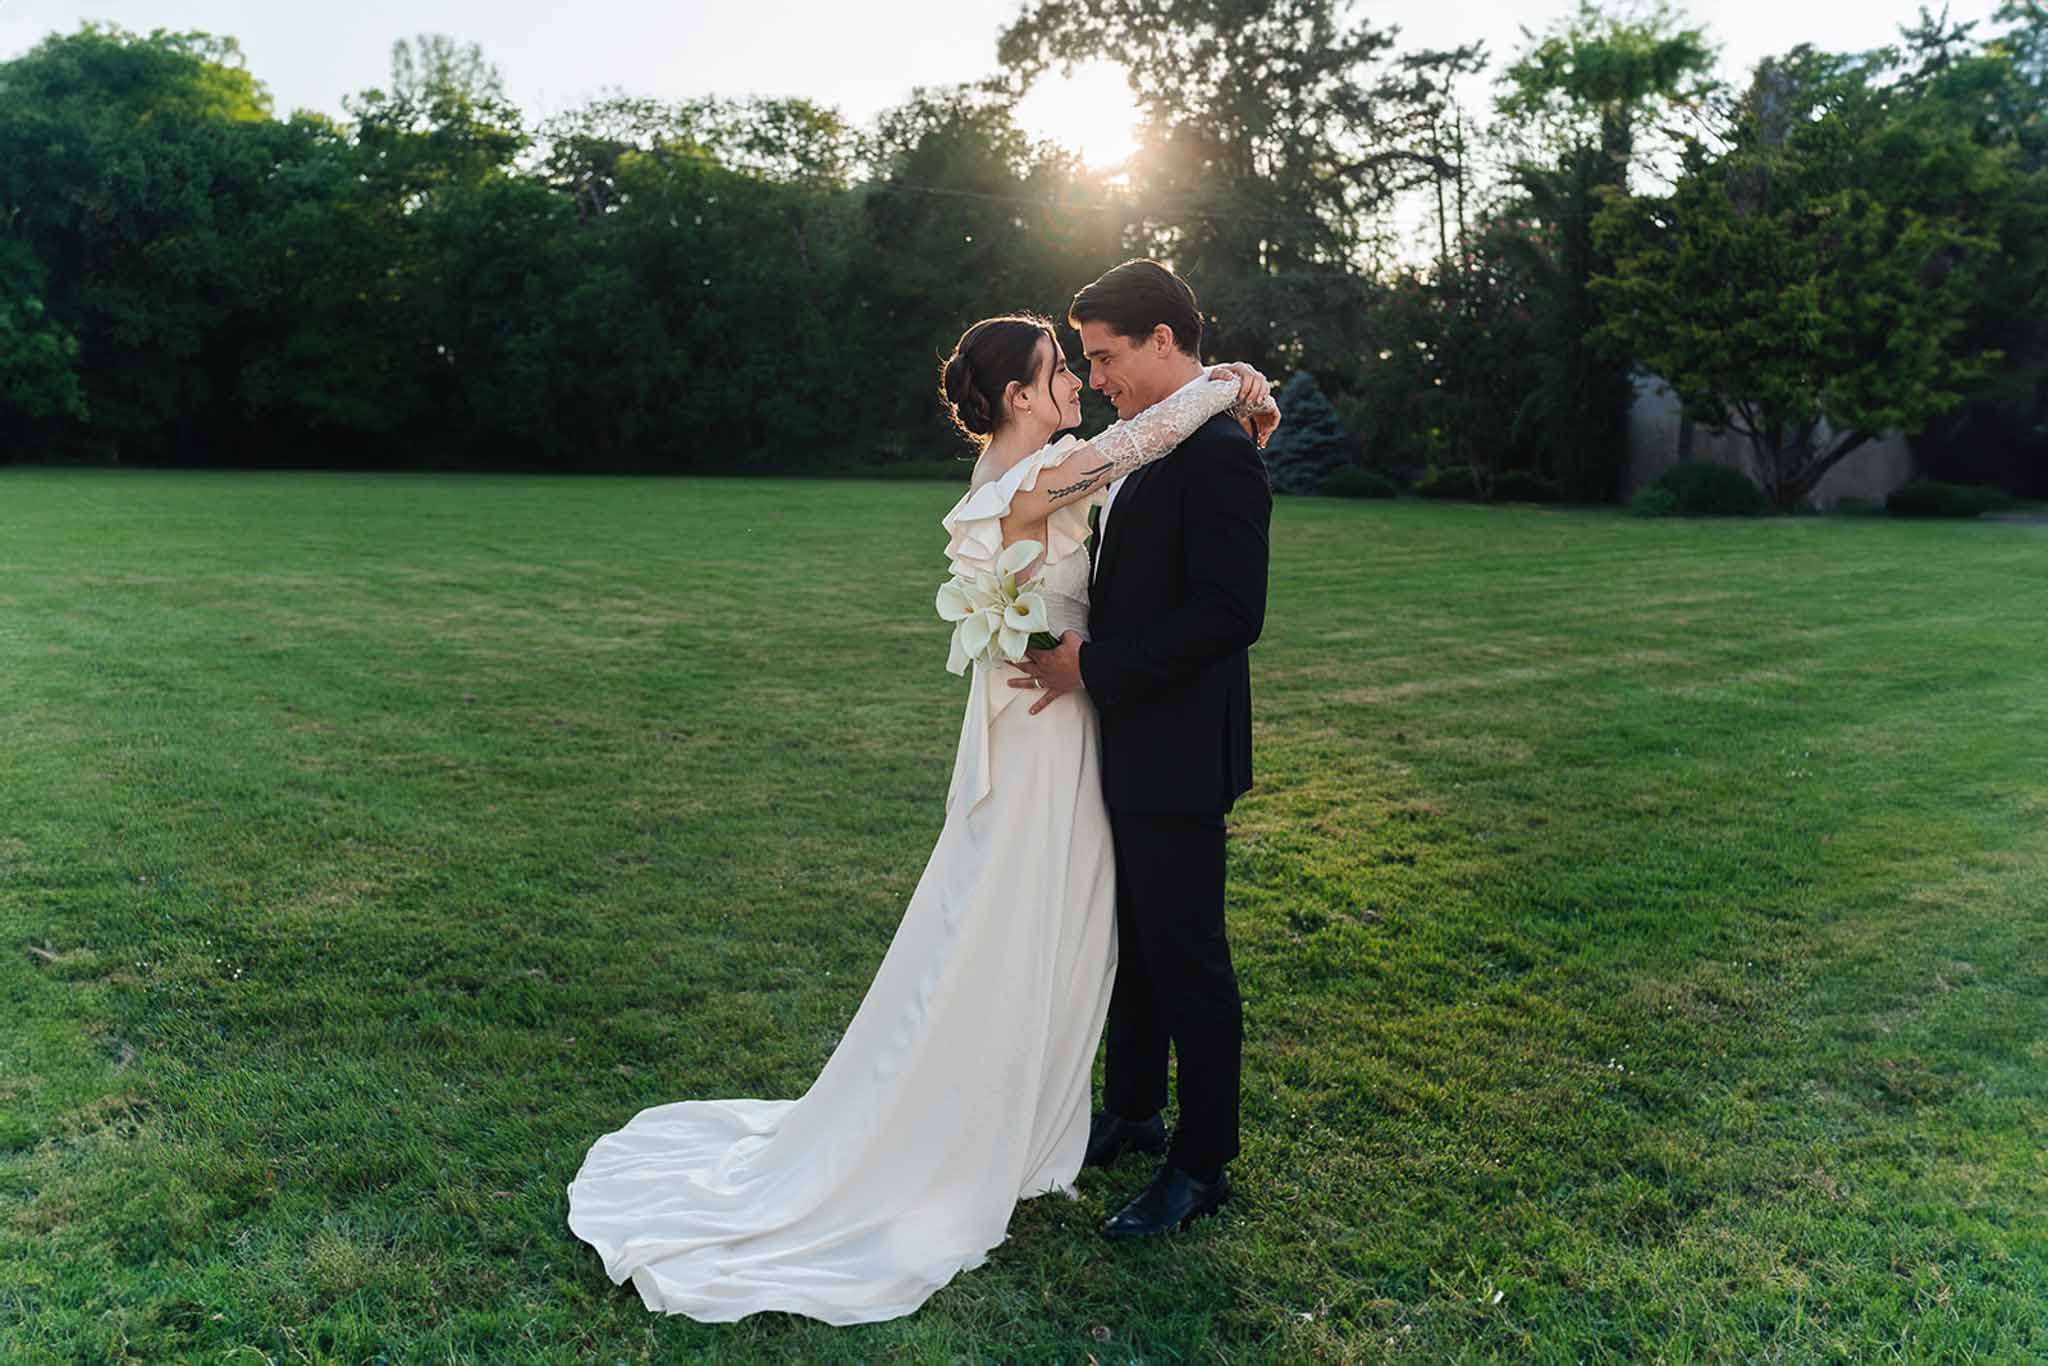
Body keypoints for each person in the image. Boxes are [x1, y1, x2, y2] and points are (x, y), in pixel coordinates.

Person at [564, 307, 1277, 1324]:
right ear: (1021, 396)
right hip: (1051, 728)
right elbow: (1143, 438)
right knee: (1021, 916)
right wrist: (1224, 381)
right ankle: (1012, 1113)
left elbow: (1145, 467)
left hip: (1077, 723)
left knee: (1081, 921)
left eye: (1092, 360)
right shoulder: (1031, 482)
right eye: (1059, 370)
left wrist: (1221, 385)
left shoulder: (1031, 468)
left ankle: (1100, 1112)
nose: (1080, 378)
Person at [1011, 259, 1273, 1239]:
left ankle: (1201, 1163)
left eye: (1106, 355)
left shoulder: (1215, 454)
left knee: (1186, 955)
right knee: (1129, 943)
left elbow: (1228, 613)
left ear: (1163, 341)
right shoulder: (1141, 445)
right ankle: (1129, 1107)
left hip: (1173, 749)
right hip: (1120, 741)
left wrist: (1097, 666)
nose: (1099, 375)